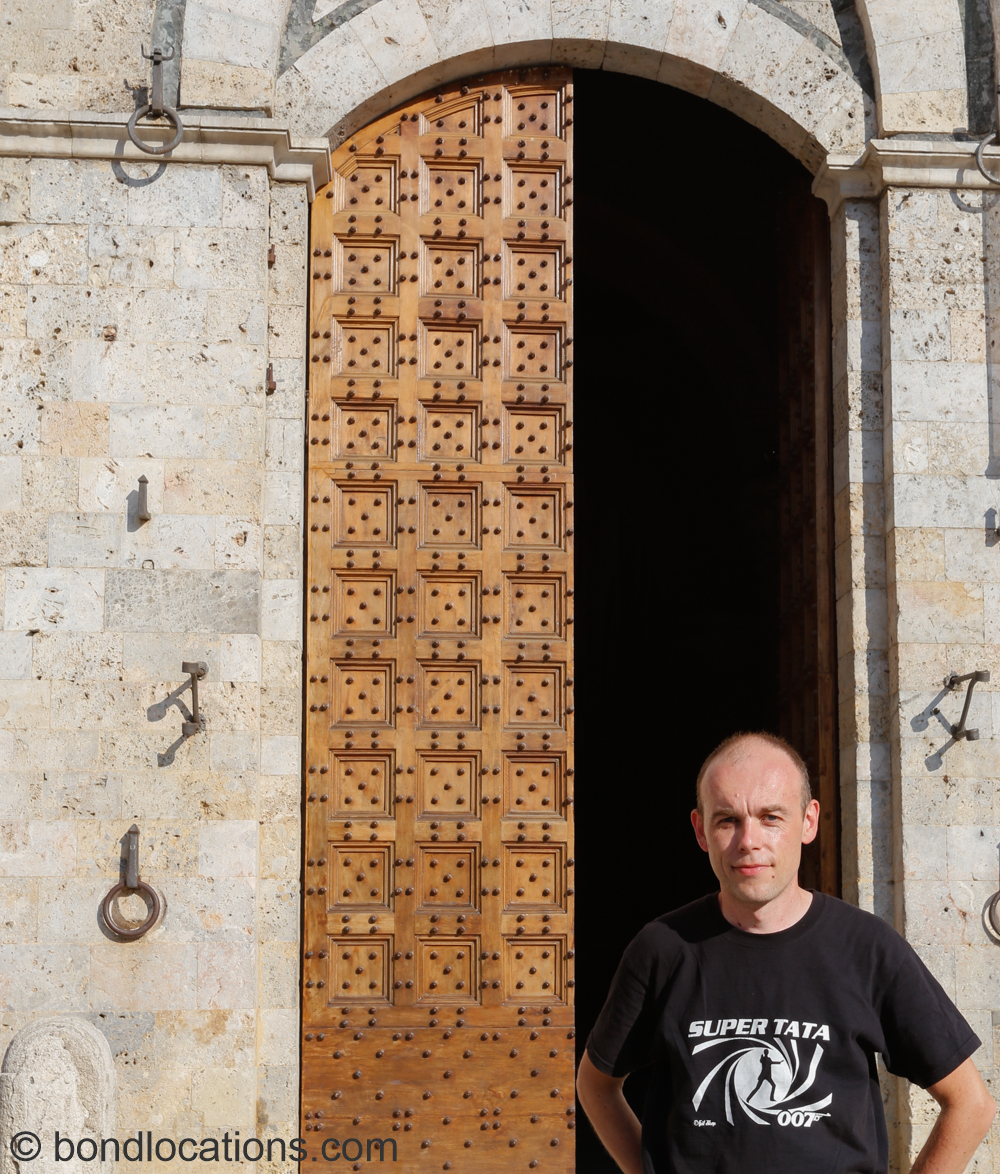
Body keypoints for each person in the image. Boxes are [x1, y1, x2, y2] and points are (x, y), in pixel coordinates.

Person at [576, 732, 996, 1174]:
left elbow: (970, 1104)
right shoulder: (663, 949)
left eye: (771, 817)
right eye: (727, 821)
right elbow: (596, 1085)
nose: (748, 841)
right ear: (700, 830)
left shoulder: (868, 948)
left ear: (809, 821)